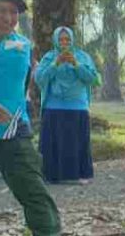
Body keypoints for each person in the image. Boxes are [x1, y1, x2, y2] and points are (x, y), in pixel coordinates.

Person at [0, 0, 85, 236]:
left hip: (13, 133)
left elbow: (29, 83)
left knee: (34, 190)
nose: (8, 17)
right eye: (1, 10)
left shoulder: (23, 47)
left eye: (13, 12)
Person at [35, 26, 99, 184]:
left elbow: (92, 79)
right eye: (61, 39)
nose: (64, 43)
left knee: (76, 142)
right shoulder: (49, 57)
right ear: (56, 41)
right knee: (52, 143)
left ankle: (77, 175)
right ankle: (51, 175)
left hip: (77, 107)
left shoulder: (82, 57)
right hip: (53, 107)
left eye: (67, 39)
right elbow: (40, 79)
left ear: (72, 40)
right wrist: (55, 64)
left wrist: (76, 64)